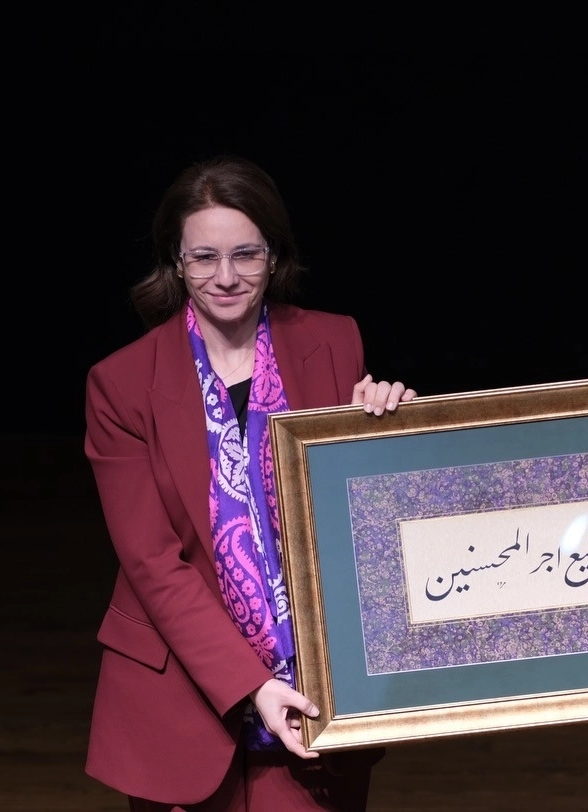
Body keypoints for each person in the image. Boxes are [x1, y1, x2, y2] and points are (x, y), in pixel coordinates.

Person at [83, 154, 416, 811]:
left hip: (316, 700)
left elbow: (361, 522)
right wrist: (252, 684)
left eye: (246, 254)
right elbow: (152, 563)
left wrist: (386, 431)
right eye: (204, 257)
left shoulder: (334, 341)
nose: (227, 276)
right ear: (175, 260)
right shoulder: (121, 384)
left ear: (275, 254)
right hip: (179, 702)